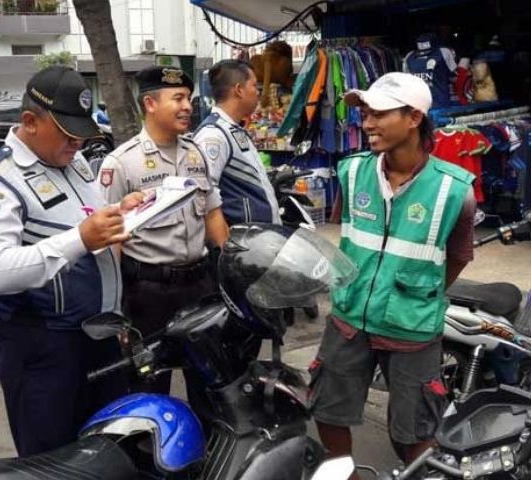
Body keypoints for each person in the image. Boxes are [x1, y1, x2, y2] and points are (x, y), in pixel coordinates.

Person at [0, 66, 144, 456]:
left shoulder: (74, 162)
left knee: (108, 454)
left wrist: (120, 211)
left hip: (98, 336)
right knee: (54, 460)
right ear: (30, 121)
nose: (77, 141)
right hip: (44, 347)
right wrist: (80, 239)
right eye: (66, 131)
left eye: (82, 131)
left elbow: (86, 217)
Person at [308, 72, 476, 478]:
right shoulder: (351, 173)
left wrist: (417, 295)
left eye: (379, 114)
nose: (367, 124)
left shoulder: (455, 191)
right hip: (348, 319)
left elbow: (457, 258)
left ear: (414, 117)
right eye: (365, 114)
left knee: (412, 432)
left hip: (411, 329)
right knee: (329, 411)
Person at [96, 66, 229, 394]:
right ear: (150, 104)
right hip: (148, 295)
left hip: (198, 286)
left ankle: (209, 445)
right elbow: (109, 239)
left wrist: (230, 265)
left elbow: (212, 213)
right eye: (178, 98)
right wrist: (114, 306)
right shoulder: (121, 163)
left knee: (210, 383)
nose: (187, 106)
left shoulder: (196, 154)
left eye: (189, 99)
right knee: (149, 387)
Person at [194, 59, 281, 226]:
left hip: (258, 241)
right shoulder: (214, 135)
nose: (258, 92)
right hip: (240, 244)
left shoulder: (232, 128)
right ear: (239, 90)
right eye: (255, 86)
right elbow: (205, 196)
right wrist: (224, 244)